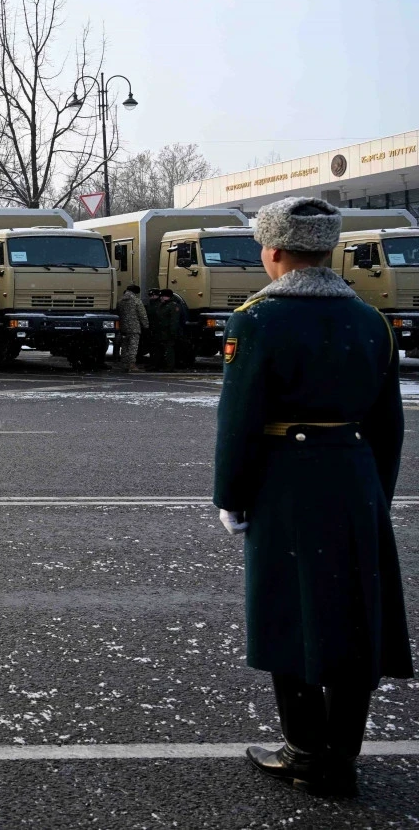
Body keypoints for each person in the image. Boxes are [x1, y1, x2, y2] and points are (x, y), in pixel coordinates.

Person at [214, 196, 410, 797]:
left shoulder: (257, 319)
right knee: (354, 614)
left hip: (287, 482)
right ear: (327, 251)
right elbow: (389, 425)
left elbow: (240, 420)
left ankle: (303, 750)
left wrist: (231, 494)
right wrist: (375, 493)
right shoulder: (370, 321)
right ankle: (342, 757)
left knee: (290, 611)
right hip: (356, 479)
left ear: (274, 252)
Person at [115, 284, 149, 371]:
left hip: (123, 328)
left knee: (124, 346)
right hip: (134, 328)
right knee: (133, 347)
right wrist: (146, 325)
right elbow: (142, 315)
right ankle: (131, 364)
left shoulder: (120, 301)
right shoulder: (136, 301)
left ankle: (124, 364)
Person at [147, 289, 181, 370]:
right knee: (158, 349)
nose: (161, 298)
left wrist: (173, 332)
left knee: (168, 349)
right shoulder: (162, 305)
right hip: (160, 331)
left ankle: (170, 366)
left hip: (167, 331)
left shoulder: (173, 306)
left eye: (163, 296)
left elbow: (174, 320)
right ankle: (157, 365)